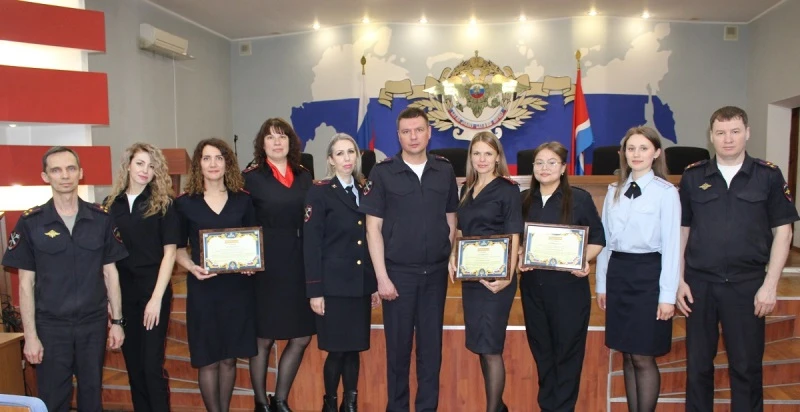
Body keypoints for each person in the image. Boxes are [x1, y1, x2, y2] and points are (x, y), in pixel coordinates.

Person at [676, 106, 799, 411]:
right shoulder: (693, 176)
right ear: (711, 136)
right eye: (720, 132)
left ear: (747, 133)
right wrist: (678, 279)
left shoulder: (768, 175)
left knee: (746, 368)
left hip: (748, 285)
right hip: (700, 285)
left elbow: (784, 232)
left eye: (734, 131)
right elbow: (681, 230)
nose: (728, 139)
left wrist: (770, 285)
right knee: (698, 367)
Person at [2, 146, 128, 412]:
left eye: (71, 168)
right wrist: (31, 336)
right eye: (56, 170)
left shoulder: (101, 218)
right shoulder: (31, 222)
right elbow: (25, 285)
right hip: (50, 327)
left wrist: (117, 322)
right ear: (45, 176)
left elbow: (111, 273)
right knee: (52, 399)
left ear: (81, 173)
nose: (65, 175)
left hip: (92, 325)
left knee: (92, 397)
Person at [359, 107, 459, 412]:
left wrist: (447, 253)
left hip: (435, 276)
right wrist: (382, 277)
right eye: (406, 131)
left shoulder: (444, 170)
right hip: (398, 276)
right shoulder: (383, 172)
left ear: (429, 133)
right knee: (398, 352)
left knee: (431, 351)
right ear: (398, 136)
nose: (413, 136)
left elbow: (450, 218)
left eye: (418, 130)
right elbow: (372, 229)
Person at [595, 126, 680, 412]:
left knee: (643, 356)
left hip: (649, 276)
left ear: (656, 153)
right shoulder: (614, 191)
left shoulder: (666, 193)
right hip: (619, 274)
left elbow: (672, 246)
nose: (636, 154)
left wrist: (667, 296)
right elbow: (606, 241)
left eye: (643, 148)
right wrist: (602, 284)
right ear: (623, 153)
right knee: (628, 355)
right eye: (631, 148)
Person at [518, 141, 606, 412]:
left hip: (569, 290)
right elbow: (516, 241)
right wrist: (520, 255)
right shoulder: (523, 199)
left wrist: (583, 260)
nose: (544, 168)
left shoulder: (579, 198)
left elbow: (598, 239)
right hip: (533, 290)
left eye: (551, 162)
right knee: (542, 352)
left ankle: (564, 408)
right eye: (539, 163)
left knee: (568, 353)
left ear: (564, 167)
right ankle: (547, 406)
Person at [174, 138, 258, 412]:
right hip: (204, 290)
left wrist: (251, 263)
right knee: (208, 359)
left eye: (219, 158)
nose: (213, 164)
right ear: (198, 164)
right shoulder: (185, 203)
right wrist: (191, 267)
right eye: (207, 158)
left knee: (230, 358)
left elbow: (253, 242)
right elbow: (177, 249)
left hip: (237, 290)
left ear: (227, 163)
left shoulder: (243, 200)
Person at [303, 133, 381, 412]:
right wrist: (315, 290)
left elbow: (370, 239)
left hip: (359, 285)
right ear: (330, 160)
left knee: (354, 348)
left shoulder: (366, 189)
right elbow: (311, 244)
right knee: (336, 350)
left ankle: (350, 403)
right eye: (340, 153)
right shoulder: (320, 192)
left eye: (351, 152)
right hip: (333, 287)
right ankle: (330, 403)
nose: (347, 158)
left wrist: (373, 284)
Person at [244, 118, 316, 412]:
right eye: (271, 137)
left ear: (291, 142)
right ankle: (261, 402)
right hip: (265, 265)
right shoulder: (250, 178)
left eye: (282, 136)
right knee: (263, 338)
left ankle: (280, 399)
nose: (277, 142)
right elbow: (243, 222)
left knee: (302, 335)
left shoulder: (304, 176)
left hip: (299, 262)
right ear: (262, 144)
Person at [446, 132, 522, 412]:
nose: (482, 159)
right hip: (473, 277)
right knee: (480, 344)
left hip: (496, 278)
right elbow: (461, 231)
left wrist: (507, 276)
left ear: (497, 157)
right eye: (476, 153)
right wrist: (453, 256)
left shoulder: (508, 189)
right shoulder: (466, 188)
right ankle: (498, 407)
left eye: (488, 154)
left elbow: (514, 234)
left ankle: (493, 409)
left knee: (491, 347)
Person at [103, 143, 179, 412]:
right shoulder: (110, 205)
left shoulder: (165, 203)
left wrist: (156, 299)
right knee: (134, 367)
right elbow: (107, 261)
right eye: (140, 163)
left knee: (150, 367)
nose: (145, 170)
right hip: (123, 294)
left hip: (153, 291)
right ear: (128, 165)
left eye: (151, 165)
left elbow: (170, 254)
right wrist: (112, 306)